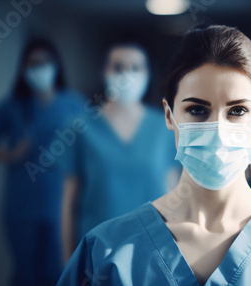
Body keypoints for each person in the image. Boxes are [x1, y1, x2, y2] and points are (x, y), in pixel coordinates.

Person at [57, 25, 251, 286]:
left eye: (238, 110)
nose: (218, 129)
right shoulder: (106, 253)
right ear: (168, 115)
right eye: (197, 110)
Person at [59, 40, 180, 263]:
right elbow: (67, 205)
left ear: (148, 73)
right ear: (103, 72)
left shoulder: (166, 128)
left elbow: (175, 198)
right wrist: (70, 263)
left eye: (136, 68)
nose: (127, 75)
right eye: (118, 67)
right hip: (97, 254)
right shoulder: (80, 128)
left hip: (154, 254)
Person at [0, 38, 84, 286]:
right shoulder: (12, 106)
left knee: (59, 270)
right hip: (22, 204)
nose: (40, 68)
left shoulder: (73, 104)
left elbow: (88, 149)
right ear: (23, 68)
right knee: (25, 274)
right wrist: (10, 154)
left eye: (45, 62)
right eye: (33, 63)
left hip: (60, 204)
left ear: (56, 65)